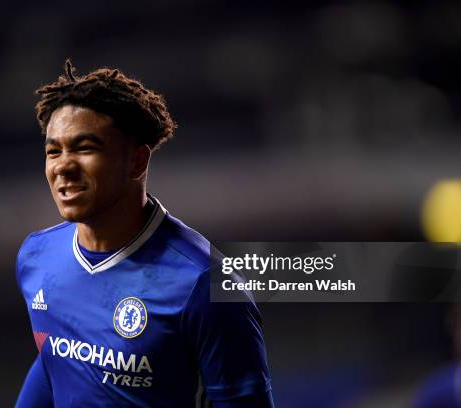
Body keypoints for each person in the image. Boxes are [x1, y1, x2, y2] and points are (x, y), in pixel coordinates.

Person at [14, 60, 274, 407]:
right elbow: (55, 364)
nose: (63, 166)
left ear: (137, 161)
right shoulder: (37, 256)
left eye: (84, 148)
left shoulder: (206, 286)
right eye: (53, 151)